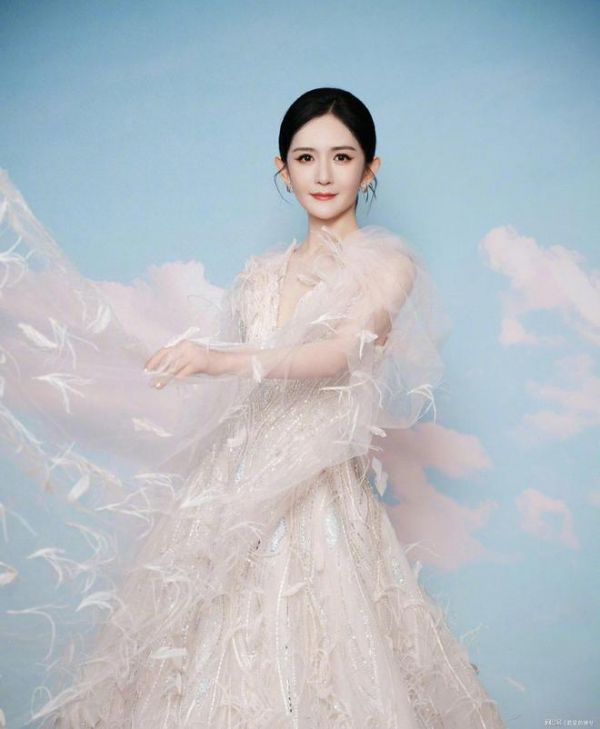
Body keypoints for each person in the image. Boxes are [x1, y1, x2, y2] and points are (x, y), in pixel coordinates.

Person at [0, 87, 506, 728]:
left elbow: (338, 354)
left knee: (330, 650)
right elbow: (237, 395)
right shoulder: (259, 274)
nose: (323, 175)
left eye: (342, 157)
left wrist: (217, 358)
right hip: (235, 481)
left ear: (370, 168)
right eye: (305, 158)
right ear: (282, 169)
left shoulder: (386, 264)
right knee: (206, 653)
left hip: (317, 487)